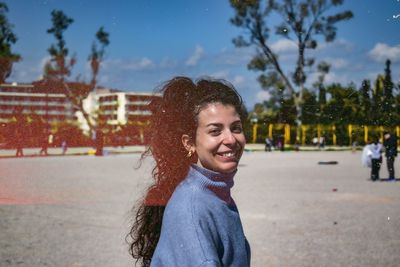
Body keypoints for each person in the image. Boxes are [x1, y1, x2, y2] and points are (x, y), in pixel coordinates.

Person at [127, 77, 251, 267]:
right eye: (215, 131)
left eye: (236, 128)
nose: (231, 139)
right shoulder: (193, 207)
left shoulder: (216, 194)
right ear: (189, 143)